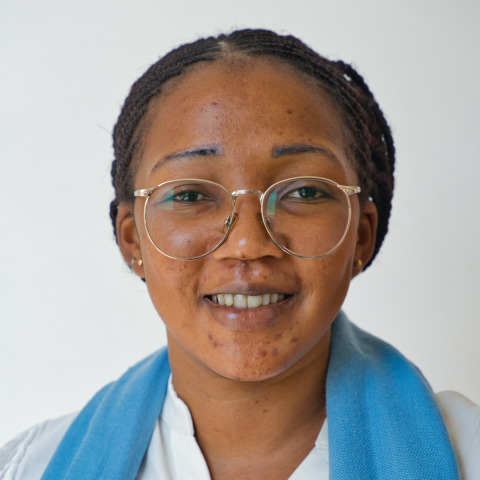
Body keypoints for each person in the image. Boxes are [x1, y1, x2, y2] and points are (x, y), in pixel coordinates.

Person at [1, 29, 478, 480]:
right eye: (190, 195)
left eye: (305, 192)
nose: (248, 243)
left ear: (361, 236)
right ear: (132, 241)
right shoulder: (30, 468)